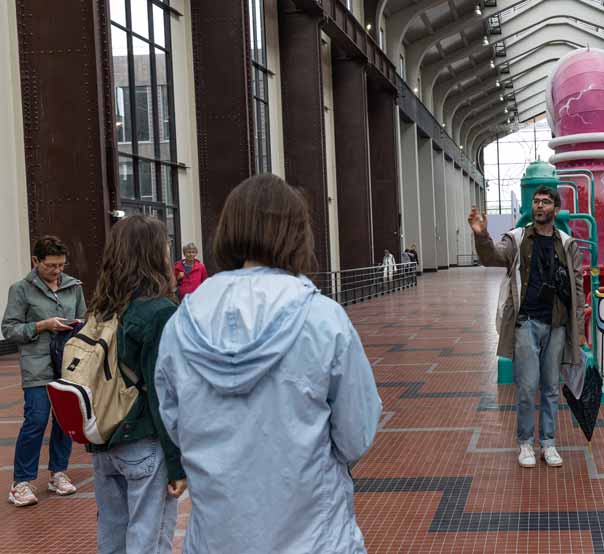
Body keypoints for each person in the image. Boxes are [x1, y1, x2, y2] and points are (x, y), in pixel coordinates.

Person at [155, 174, 382, 553]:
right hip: (314, 534)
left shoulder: (182, 324)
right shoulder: (323, 319)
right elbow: (355, 434)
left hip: (216, 536)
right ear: (297, 234)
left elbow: (175, 423)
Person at [85, 215, 187, 552]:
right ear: (153, 253)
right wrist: (177, 464)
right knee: (150, 541)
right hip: (144, 442)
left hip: (104, 441)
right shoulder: (159, 312)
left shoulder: (102, 307)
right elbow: (163, 394)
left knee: (112, 539)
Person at [469, 188, 585, 469]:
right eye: (536, 202)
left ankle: (548, 442)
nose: (539, 206)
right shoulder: (518, 239)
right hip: (527, 322)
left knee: (551, 388)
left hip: (556, 324)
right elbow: (492, 257)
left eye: (545, 202)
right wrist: (481, 235)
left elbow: (578, 289)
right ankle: (525, 442)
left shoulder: (568, 244)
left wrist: (578, 329)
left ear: (555, 209)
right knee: (527, 387)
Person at [3, 236, 85, 506]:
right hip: (37, 365)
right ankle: (21, 482)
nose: (58, 271)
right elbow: (9, 329)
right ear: (35, 261)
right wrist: (42, 325)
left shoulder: (74, 287)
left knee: (65, 421)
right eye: (51, 266)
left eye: (61, 265)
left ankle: (57, 474)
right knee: (36, 420)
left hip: (68, 365)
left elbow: (84, 319)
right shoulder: (21, 290)